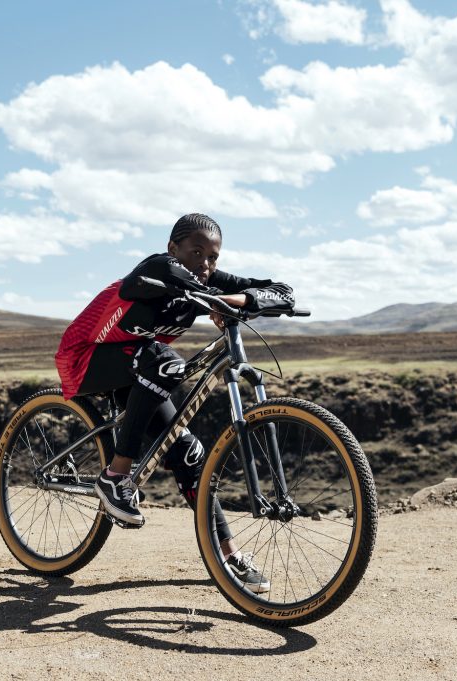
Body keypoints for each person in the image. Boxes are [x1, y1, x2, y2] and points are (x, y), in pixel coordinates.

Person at [54, 213, 294, 593]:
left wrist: (236, 300)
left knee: (187, 452)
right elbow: (150, 282)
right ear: (173, 248)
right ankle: (115, 476)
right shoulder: (157, 266)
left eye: (213, 257)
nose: (206, 264)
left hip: (139, 369)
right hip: (86, 358)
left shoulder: (207, 281)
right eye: (196, 252)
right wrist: (218, 300)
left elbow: (282, 291)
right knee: (167, 362)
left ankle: (229, 558)